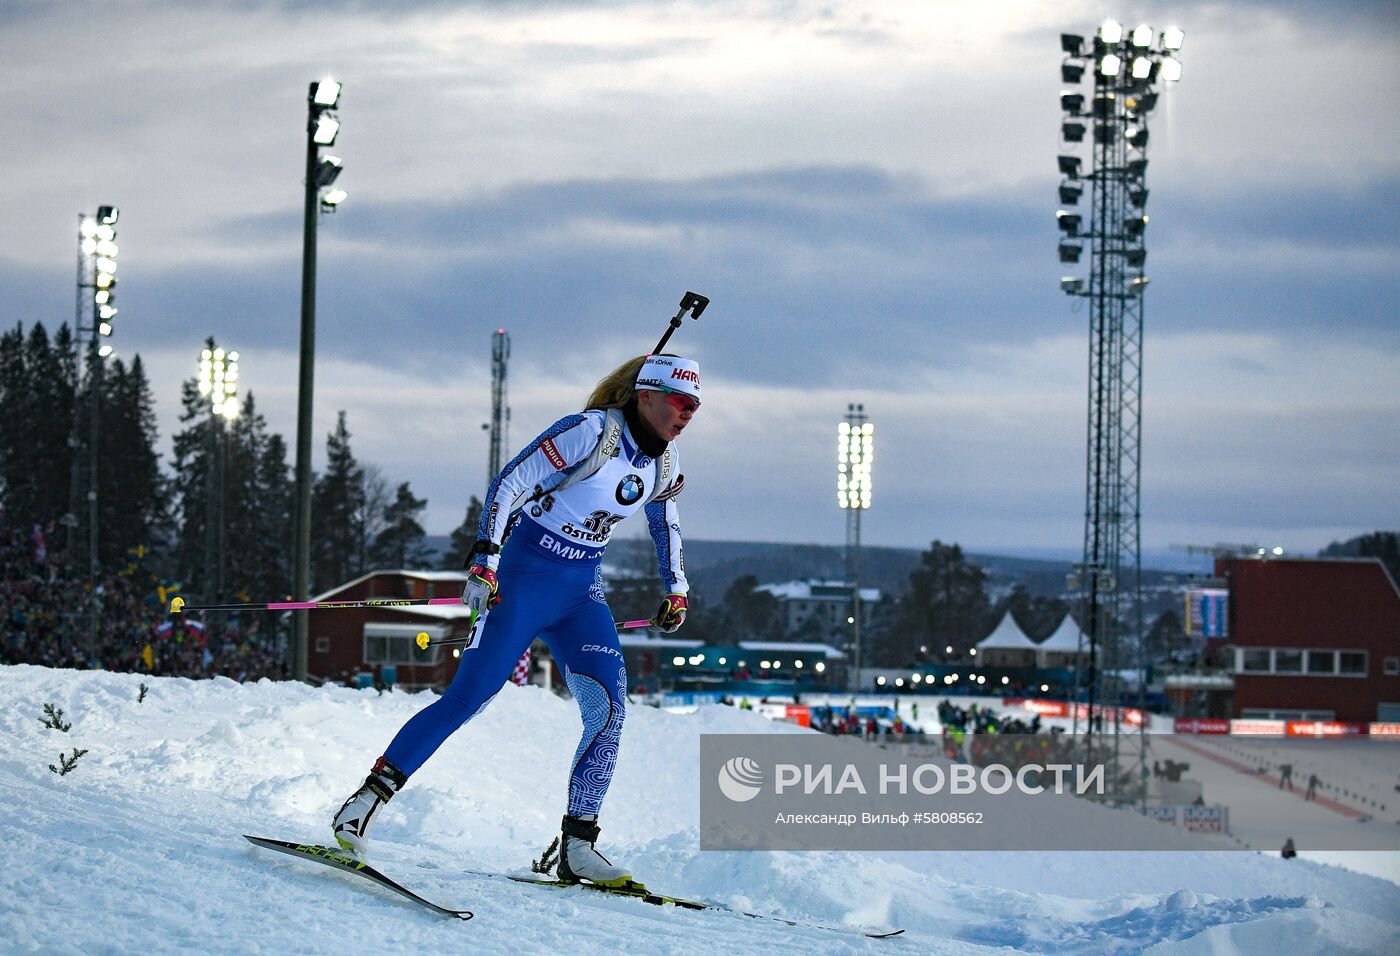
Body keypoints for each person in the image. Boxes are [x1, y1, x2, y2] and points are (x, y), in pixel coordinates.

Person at [331, 353, 700, 889]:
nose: (687, 413)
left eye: (695, 406)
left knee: (610, 709)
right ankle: (364, 802)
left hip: (581, 591)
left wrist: (677, 588)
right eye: (679, 401)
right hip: (525, 580)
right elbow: (510, 482)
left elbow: (665, 523)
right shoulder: (589, 432)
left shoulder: (664, 462)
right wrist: (485, 559)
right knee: (469, 697)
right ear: (646, 394)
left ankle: (578, 845)